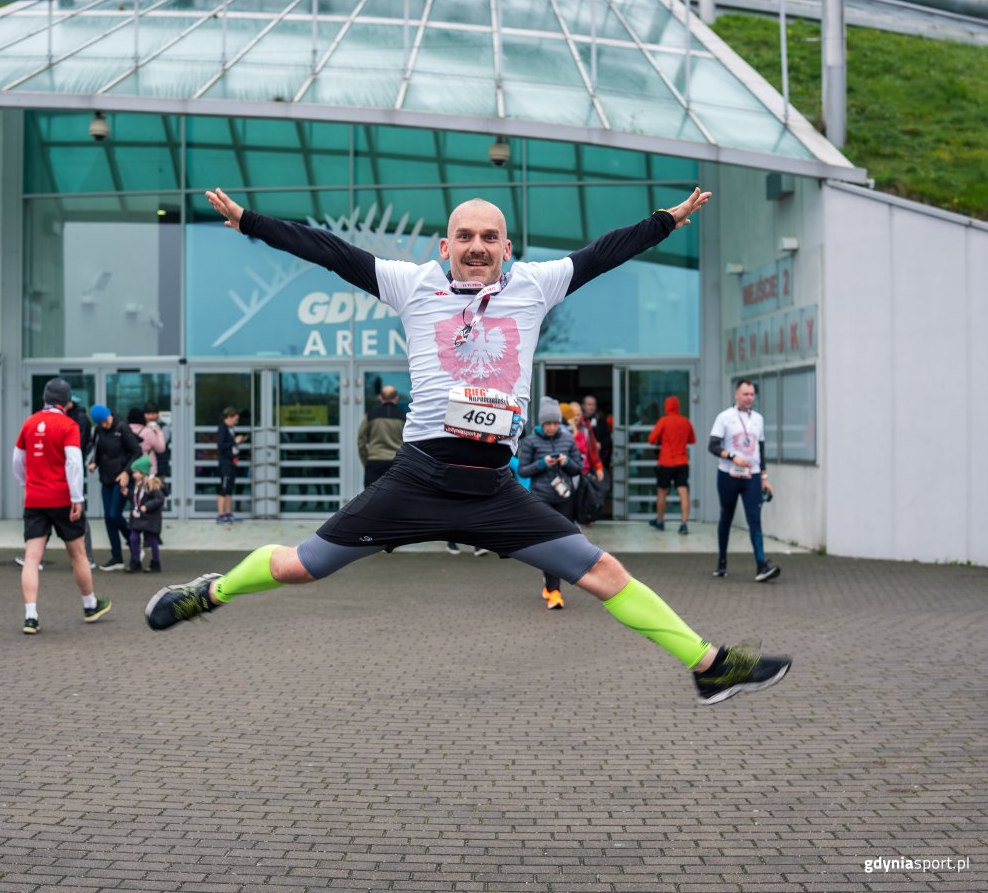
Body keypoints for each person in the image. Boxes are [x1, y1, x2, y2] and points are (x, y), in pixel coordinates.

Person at [147, 186, 792, 707]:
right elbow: (329, 251)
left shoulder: (536, 286)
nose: (477, 246)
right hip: (416, 482)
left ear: (506, 247)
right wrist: (252, 222)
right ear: (445, 244)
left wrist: (665, 222)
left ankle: (708, 667)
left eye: (489, 237)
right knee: (301, 566)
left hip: (495, 493)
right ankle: (211, 593)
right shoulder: (411, 284)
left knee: (605, 573)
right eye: (465, 236)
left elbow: (604, 253)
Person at [13, 377, 111, 634]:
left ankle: (31, 615)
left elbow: (17, 460)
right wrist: (77, 497)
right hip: (62, 499)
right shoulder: (68, 425)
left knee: (32, 558)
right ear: (66, 402)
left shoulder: (29, 422)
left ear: (44, 399)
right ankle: (90, 605)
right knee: (77, 554)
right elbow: (74, 463)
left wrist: (27, 484)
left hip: (34, 499)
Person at [710, 380, 780, 582]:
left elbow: (761, 449)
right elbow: (713, 446)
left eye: (752, 394)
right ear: (736, 395)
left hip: (752, 476)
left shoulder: (758, 419)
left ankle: (761, 565)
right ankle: (722, 562)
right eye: (746, 394)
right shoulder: (724, 418)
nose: (749, 398)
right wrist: (732, 457)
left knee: (754, 519)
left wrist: (764, 477)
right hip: (728, 475)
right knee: (726, 517)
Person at [516, 398, 582, 610]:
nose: (552, 427)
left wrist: (566, 462)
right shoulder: (531, 442)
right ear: (542, 424)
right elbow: (524, 470)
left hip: (564, 498)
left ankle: (550, 585)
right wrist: (543, 464)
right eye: (548, 423)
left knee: (564, 543)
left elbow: (578, 468)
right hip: (541, 498)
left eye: (555, 423)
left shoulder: (568, 439)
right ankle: (554, 591)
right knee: (549, 543)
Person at [88, 403, 141, 570]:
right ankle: (117, 557)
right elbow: (97, 449)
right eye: (101, 423)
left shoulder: (121, 427)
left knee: (113, 514)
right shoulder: (98, 430)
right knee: (108, 519)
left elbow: (136, 451)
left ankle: (133, 542)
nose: (105, 425)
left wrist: (126, 472)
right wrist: (94, 463)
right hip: (106, 478)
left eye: (105, 421)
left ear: (109, 415)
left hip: (121, 478)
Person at [648, 395, 696, 534]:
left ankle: (660, 521)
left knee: (662, 492)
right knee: (683, 492)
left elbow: (651, 439)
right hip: (682, 462)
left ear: (666, 407)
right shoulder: (685, 421)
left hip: (666, 462)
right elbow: (692, 440)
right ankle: (684, 524)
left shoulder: (663, 421)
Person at [358, 385, 407, 488]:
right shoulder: (404, 417)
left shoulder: (371, 416)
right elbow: (410, 441)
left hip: (375, 462)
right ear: (396, 398)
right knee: (394, 498)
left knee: (371, 499)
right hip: (396, 463)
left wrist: (366, 461)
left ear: (380, 398)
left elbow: (361, 440)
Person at [124, 455, 166, 573]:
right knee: (133, 538)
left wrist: (146, 506)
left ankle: (155, 563)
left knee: (152, 540)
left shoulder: (152, 484)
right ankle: (135, 561)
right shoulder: (138, 484)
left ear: (143, 472)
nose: (133, 475)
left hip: (150, 518)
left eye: (135, 472)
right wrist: (128, 494)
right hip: (139, 518)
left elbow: (159, 499)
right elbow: (136, 499)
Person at [215, 407, 246, 524]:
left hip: (231, 461)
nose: (237, 421)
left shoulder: (231, 429)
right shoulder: (222, 429)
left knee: (229, 488)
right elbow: (221, 446)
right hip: (225, 463)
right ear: (229, 417)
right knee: (223, 488)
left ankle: (228, 513)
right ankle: (221, 514)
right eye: (235, 419)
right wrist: (235, 442)